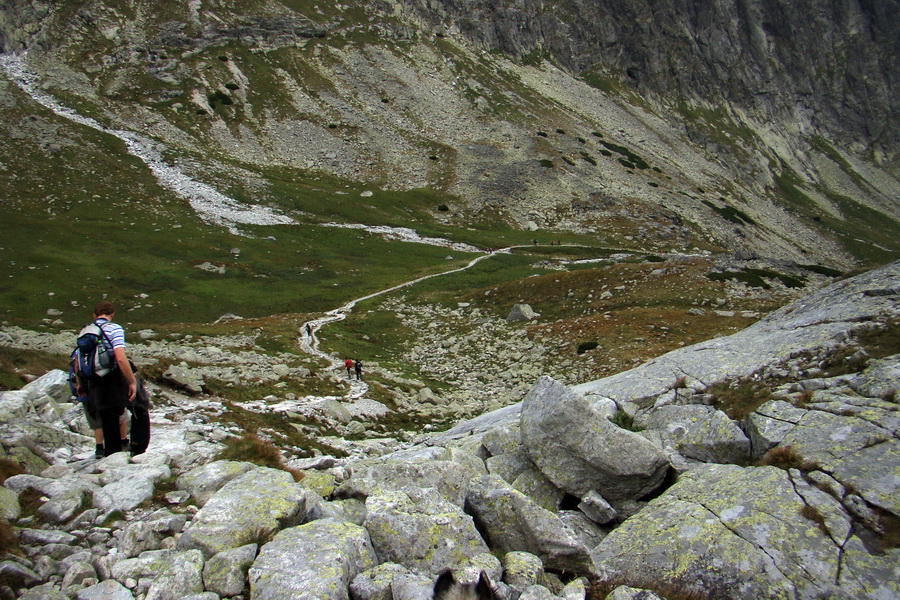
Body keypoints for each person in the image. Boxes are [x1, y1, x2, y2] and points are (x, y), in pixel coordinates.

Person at [86, 301, 137, 456]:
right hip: (112, 375)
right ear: (112, 314)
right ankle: (119, 451)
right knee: (119, 412)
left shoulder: (87, 330)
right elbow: (120, 358)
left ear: (94, 315)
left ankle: (107, 451)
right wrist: (132, 381)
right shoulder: (114, 328)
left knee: (105, 416)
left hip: (93, 378)